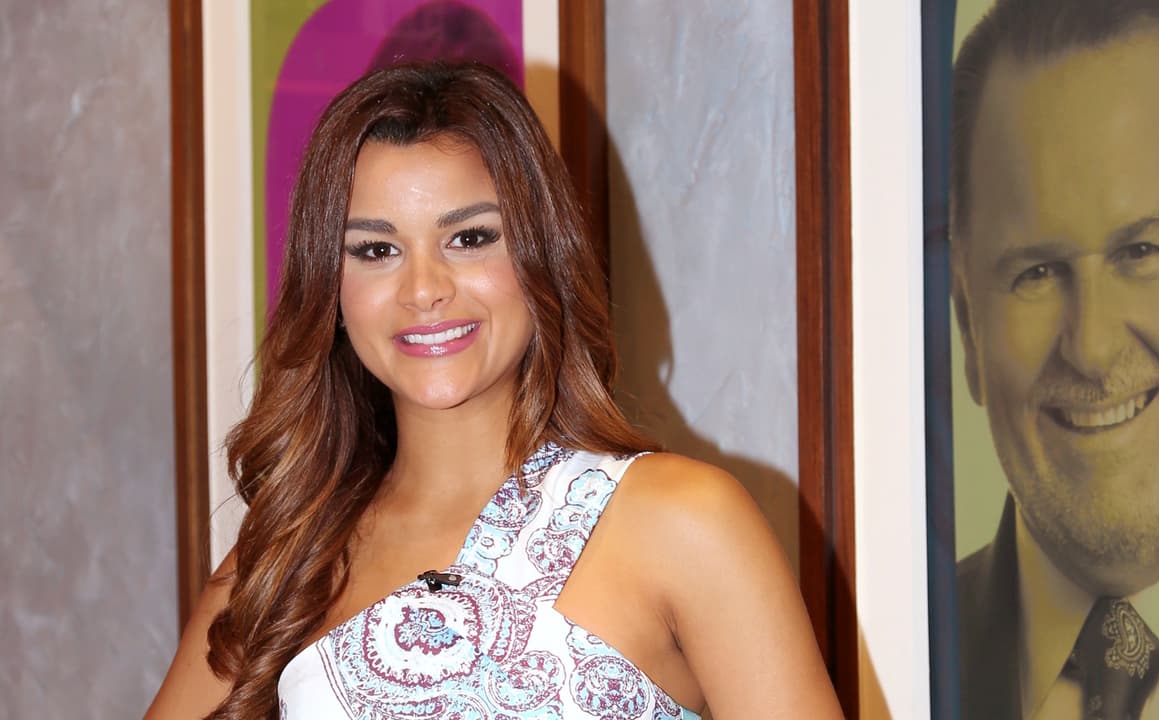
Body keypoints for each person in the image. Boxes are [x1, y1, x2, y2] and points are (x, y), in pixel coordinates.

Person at [146, 62, 841, 719]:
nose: (424, 289)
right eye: (377, 250)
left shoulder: (685, 519)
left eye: (470, 238)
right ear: (330, 288)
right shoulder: (286, 559)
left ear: (542, 255)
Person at [949, 1, 1159, 718]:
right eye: (1036, 271)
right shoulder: (872, 659)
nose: (1093, 349)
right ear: (968, 319)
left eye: (1141, 251)